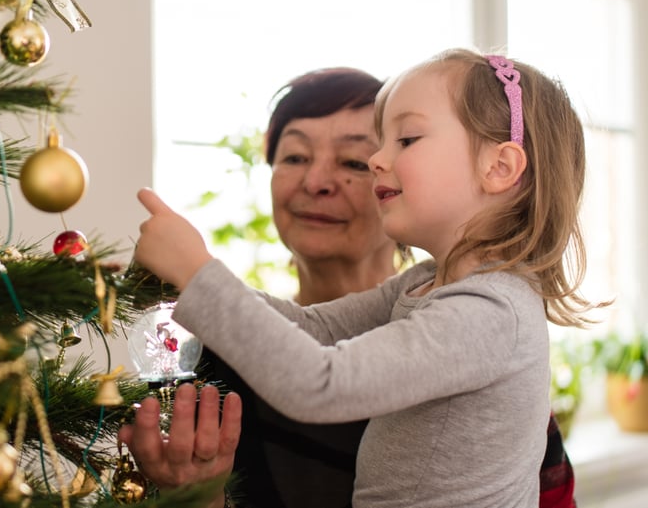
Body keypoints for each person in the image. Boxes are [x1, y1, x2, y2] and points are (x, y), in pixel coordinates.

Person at [128, 54, 588, 506]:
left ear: (499, 167)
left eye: (404, 140)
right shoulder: (424, 283)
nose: (375, 162)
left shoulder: (490, 313)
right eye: (294, 156)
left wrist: (197, 272)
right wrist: (188, 279)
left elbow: (317, 382)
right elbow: (310, 330)